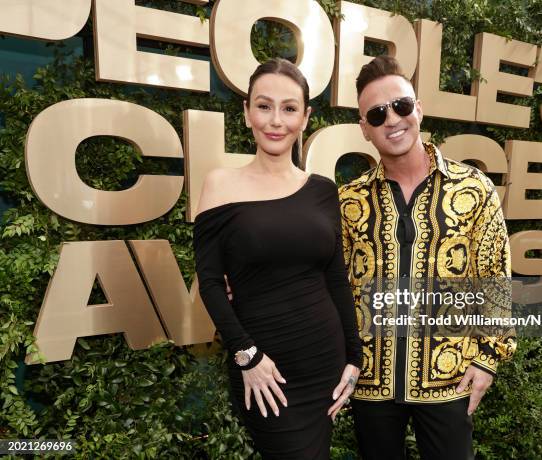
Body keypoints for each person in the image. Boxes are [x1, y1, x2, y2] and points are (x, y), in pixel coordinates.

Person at [339, 56, 516, 459]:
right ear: (365, 129)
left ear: (418, 108)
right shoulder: (349, 200)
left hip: (450, 375)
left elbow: (495, 277)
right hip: (371, 382)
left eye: (401, 105)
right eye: (377, 114)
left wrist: (488, 359)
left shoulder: (473, 188)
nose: (393, 119)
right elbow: (327, 278)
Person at [192, 58, 362, 460]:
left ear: (305, 117)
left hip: (325, 362)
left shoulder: (322, 190)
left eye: (289, 108)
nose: (275, 120)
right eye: (264, 106)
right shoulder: (220, 184)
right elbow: (210, 282)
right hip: (265, 370)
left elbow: (336, 278)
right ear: (247, 112)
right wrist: (247, 356)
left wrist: (354, 359)